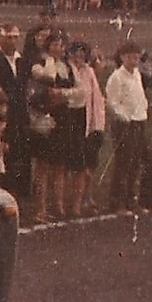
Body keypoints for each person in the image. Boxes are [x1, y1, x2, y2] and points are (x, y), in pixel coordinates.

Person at [28, 29, 82, 223]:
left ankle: (58, 204)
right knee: (42, 164)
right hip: (46, 115)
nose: (58, 48)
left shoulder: (68, 66)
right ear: (47, 46)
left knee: (60, 164)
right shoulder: (40, 64)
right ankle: (40, 208)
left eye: (61, 45)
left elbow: (79, 90)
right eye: (54, 44)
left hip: (64, 115)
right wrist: (50, 62)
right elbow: (47, 79)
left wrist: (62, 94)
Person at [105, 41, 152, 214]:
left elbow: (140, 96)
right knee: (124, 163)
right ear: (123, 57)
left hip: (139, 121)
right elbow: (112, 103)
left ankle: (131, 200)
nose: (135, 61)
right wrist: (124, 117)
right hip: (125, 124)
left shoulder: (137, 74)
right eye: (131, 57)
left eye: (137, 57)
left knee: (136, 163)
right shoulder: (117, 77)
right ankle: (117, 202)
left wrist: (145, 110)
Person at [0, 23, 30, 196]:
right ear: (0, 38)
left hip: (20, 114)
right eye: (8, 37)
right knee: (4, 156)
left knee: (21, 153)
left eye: (15, 37)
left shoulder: (21, 60)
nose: (12, 41)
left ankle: (20, 193)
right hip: (3, 114)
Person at [67, 41, 107, 216]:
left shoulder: (89, 72)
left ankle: (86, 197)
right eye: (76, 54)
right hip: (75, 122)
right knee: (78, 166)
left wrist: (98, 124)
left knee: (90, 165)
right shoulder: (69, 71)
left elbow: (96, 98)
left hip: (91, 123)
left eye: (82, 55)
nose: (79, 58)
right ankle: (74, 202)